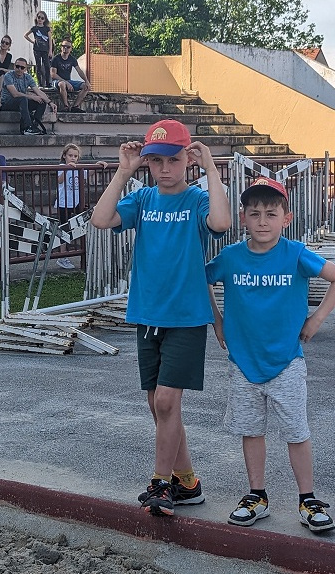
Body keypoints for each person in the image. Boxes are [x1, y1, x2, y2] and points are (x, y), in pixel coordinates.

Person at [90, 119, 232, 517]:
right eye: (155, 161)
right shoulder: (143, 199)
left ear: (187, 158)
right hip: (147, 313)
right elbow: (101, 220)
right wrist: (123, 171)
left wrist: (212, 171)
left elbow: (221, 224)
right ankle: (188, 482)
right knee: (158, 405)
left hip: (186, 315)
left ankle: (160, 484)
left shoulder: (198, 200)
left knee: (168, 401)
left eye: (172, 160)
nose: (164, 169)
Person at [205, 177, 335, 532]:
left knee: (297, 432)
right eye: (255, 214)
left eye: (271, 213)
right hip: (243, 362)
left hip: (286, 361)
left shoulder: (296, 253)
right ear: (243, 218)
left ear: (287, 217)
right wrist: (217, 320)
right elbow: (199, 279)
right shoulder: (231, 257)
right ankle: (257, 495)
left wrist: (316, 319)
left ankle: (308, 499)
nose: (263, 221)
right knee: (251, 431)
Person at [53, 143, 107, 269]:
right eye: (70, 155)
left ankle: (83, 253)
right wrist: (67, 169)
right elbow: (60, 180)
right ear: (64, 156)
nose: (73, 158)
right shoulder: (62, 166)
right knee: (64, 229)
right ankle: (62, 257)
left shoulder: (79, 168)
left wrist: (98, 165)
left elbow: (88, 174)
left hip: (77, 202)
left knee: (81, 226)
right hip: (64, 203)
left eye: (75, 156)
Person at [1, 57, 56, 136]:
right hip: (7, 103)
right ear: (14, 66)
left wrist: (50, 102)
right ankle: (28, 127)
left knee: (41, 102)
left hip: (22, 103)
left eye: (22, 67)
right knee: (23, 99)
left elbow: (38, 91)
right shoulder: (8, 75)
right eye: (17, 66)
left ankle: (34, 126)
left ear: (25, 69)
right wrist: (32, 97)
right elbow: (15, 94)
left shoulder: (27, 77)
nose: (19, 69)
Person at [50, 38, 90, 113]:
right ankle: (66, 106)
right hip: (57, 82)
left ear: (71, 48)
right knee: (62, 84)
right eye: (63, 46)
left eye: (68, 47)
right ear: (61, 47)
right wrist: (66, 82)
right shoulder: (56, 59)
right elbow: (53, 74)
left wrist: (87, 81)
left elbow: (79, 71)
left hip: (68, 81)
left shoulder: (72, 59)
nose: (65, 48)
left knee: (86, 86)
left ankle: (75, 106)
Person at [24, 11, 52, 87]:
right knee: (38, 65)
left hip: (45, 50)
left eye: (42, 18)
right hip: (37, 49)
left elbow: (50, 41)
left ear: (44, 19)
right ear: (36, 18)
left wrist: (50, 51)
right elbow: (26, 35)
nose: (40, 19)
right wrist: (33, 42)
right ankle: (39, 83)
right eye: (39, 17)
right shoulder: (34, 28)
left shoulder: (47, 29)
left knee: (47, 66)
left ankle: (48, 83)